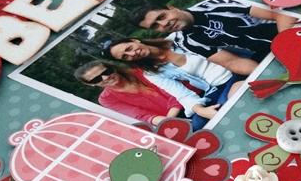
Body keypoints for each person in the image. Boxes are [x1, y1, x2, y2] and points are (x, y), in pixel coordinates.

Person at [101, 37, 245, 129]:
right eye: (125, 57)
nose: (132, 54)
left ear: (134, 40)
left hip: (229, 74)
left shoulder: (177, 40)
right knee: (198, 124)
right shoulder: (151, 72)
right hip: (213, 88)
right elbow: (181, 94)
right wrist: (201, 110)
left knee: (227, 103)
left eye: (129, 48)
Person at [137, 0, 295, 73]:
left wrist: (289, 46)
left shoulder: (215, 4)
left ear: (172, 8)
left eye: (162, 16)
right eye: (155, 26)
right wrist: (269, 74)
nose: (164, 24)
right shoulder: (186, 42)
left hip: (287, 33)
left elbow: (280, 14)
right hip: (267, 53)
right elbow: (233, 63)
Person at [73, 61, 219, 127]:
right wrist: (172, 123)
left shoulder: (139, 71)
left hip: (194, 100)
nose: (106, 77)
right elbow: (141, 116)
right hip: (172, 120)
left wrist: (172, 119)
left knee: (201, 123)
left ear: (112, 68)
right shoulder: (107, 99)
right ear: (90, 84)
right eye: (97, 79)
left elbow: (176, 90)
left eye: (106, 71)